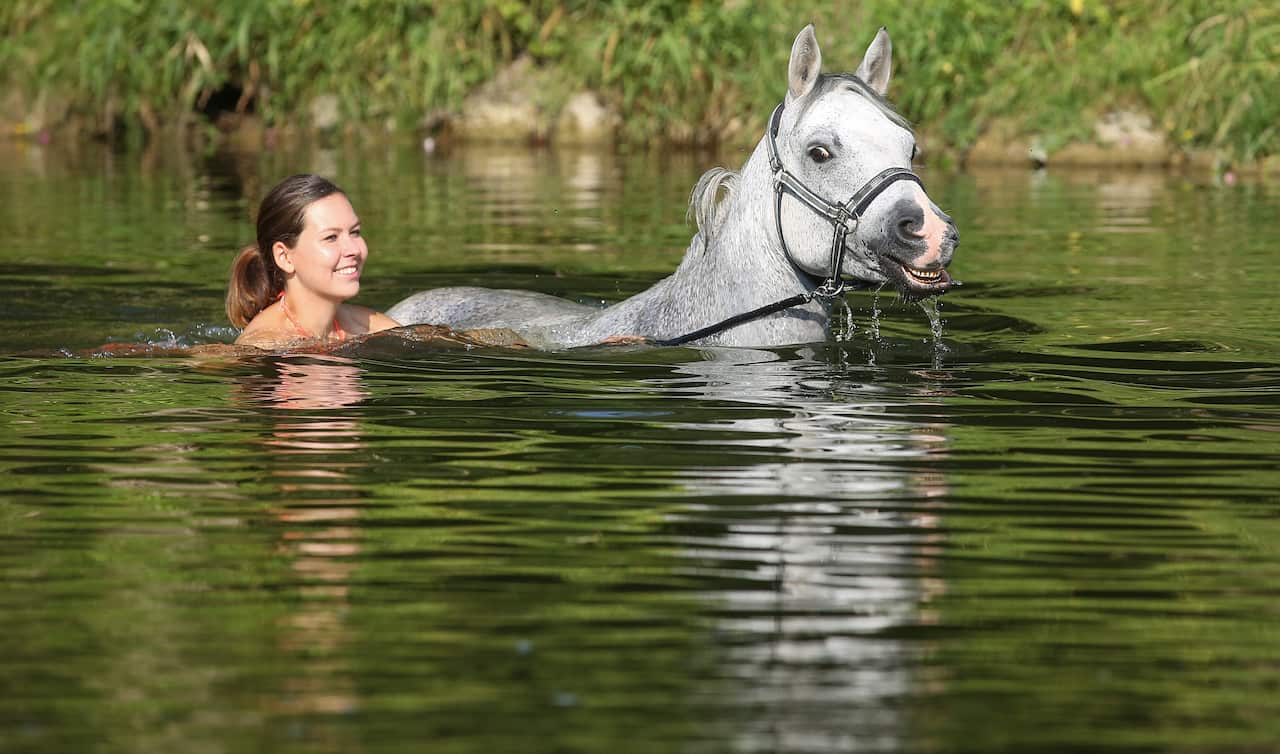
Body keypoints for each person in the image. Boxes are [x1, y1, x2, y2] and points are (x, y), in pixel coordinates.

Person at [226, 173, 399, 348]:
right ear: (284, 257)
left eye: (355, 232)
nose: (354, 250)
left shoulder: (371, 327)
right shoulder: (262, 346)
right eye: (331, 237)